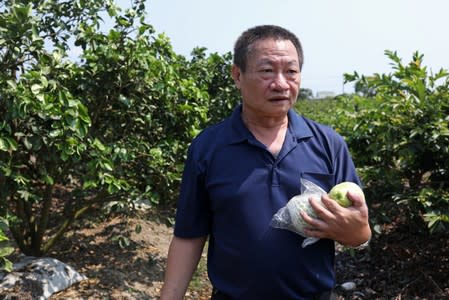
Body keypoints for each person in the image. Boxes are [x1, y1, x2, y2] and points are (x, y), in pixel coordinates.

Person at [160, 25, 371, 300]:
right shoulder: (208, 148)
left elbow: (359, 231)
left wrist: (357, 233)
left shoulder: (328, 144)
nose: (281, 83)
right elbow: (189, 235)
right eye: (267, 71)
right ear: (238, 75)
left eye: (291, 72)